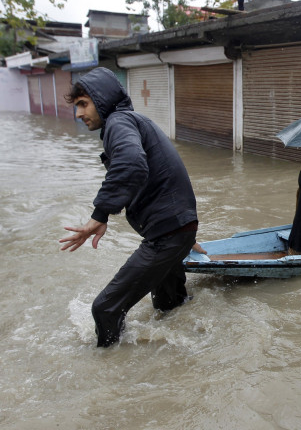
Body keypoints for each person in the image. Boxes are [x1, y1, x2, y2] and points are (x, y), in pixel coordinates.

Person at [59, 67, 199, 348]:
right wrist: (185, 231)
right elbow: (162, 176)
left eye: (83, 104)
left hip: (168, 234)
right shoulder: (132, 121)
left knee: (104, 309)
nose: (78, 114)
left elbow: (133, 164)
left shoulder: (118, 123)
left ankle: (108, 374)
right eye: (76, 106)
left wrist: (99, 215)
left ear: (103, 100)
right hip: (177, 228)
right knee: (169, 306)